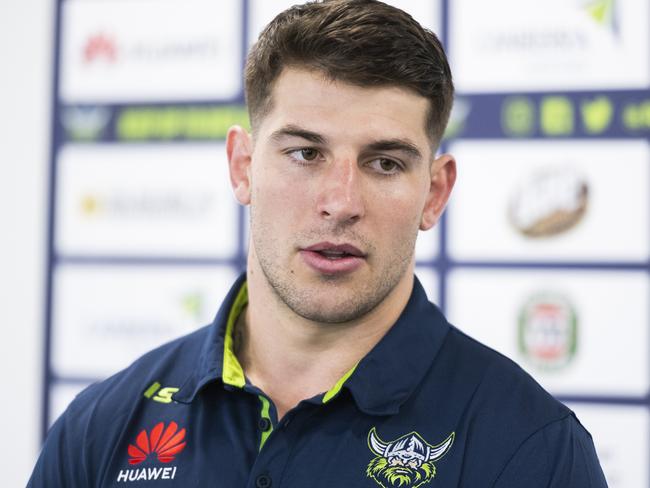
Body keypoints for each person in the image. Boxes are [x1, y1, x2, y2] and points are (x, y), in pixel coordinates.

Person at [29, 1, 608, 486]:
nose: (340, 201)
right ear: (243, 167)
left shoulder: (532, 448)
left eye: (384, 163)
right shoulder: (101, 426)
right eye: (306, 153)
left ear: (434, 193)